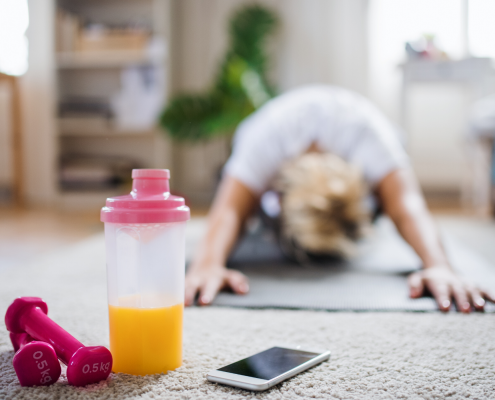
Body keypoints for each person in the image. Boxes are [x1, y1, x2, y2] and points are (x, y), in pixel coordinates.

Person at [185, 85, 494, 312]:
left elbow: (407, 208)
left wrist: (439, 265)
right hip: (272, 149)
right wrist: (208, 264)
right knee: (239, 201)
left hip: (356, 145)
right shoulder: (265, 142)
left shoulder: (372, 139)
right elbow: (229, 212)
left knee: (392, 193)